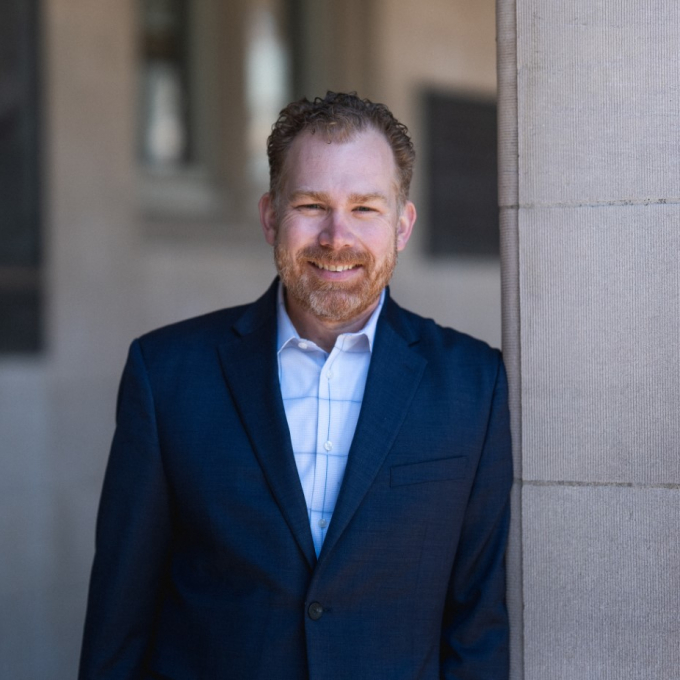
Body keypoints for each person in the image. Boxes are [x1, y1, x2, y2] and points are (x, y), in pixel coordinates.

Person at [79, 91, 512, 680]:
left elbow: (477, 625)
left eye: (365, 208)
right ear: (269, 216)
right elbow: (119, 621)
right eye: (312, 204)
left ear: (402, 224)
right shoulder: (168, 375)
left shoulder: (473, 385)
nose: (337, 237)